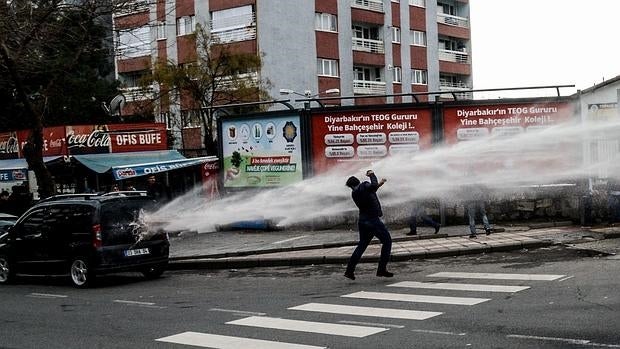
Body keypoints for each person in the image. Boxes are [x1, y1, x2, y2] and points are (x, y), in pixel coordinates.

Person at [344, 170, 393, 280]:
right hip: (373, 221)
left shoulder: (354, 193)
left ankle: (349, 271)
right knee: (387, 241)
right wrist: (371, 174)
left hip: (363, 221)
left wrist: (380, 183)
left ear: (352, 186)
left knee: (362, 245)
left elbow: (373, 188)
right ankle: (381, 269)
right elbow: (372, 186)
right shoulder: (364, 185)